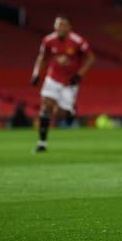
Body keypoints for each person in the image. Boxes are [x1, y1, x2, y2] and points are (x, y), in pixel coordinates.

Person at [30, 14, 95, 152]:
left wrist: (79, 74)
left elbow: (90, 58)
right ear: (54, 26)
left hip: (69, 83)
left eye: (64, 25)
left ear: (69, 27)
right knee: (46, 106)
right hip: (52, 79)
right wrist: (36, 73)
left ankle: (70, 111)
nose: (61, 27)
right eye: (59, 25)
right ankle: (42, 143)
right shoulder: (48, 41)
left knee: (60, 115)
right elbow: (42, 58)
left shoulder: (78, 41)